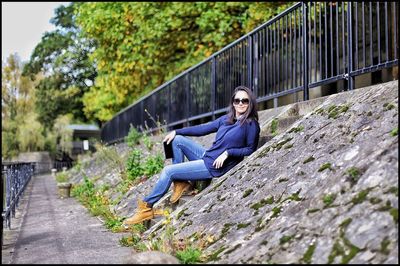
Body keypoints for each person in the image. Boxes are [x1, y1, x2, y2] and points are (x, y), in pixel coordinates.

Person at [123, 85, 260, 225]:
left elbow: (250, 149)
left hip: (214, 166)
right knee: (177, 140)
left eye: (245, 101)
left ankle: (146, 208)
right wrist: (177, 131)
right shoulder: (226, 119)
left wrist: (228, 153)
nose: (241, 103)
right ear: (233, 102)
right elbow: (202, 129)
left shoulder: (251, 124)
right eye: (237, 100)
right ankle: (181, 183)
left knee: (168, 171)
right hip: (207, 156)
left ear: (250, 103)